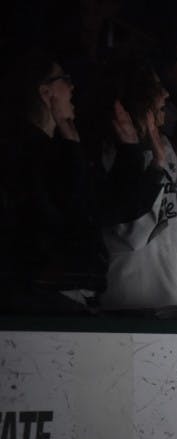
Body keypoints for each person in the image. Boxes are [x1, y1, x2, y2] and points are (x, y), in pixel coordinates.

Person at [98, 57, 177, 316]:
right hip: (125, 304)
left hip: (168, 302)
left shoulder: (165, 149)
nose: (166, 93)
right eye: (156, 87)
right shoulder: (111, 152)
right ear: (139, 96)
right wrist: (154, 171)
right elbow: (130, 235)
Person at [1, 51, 107, 314]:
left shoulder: (46, 151)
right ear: (46, 93)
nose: (72, 87)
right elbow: (78, 211)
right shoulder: (31, 155)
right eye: (65, 79)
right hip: (45, 297)